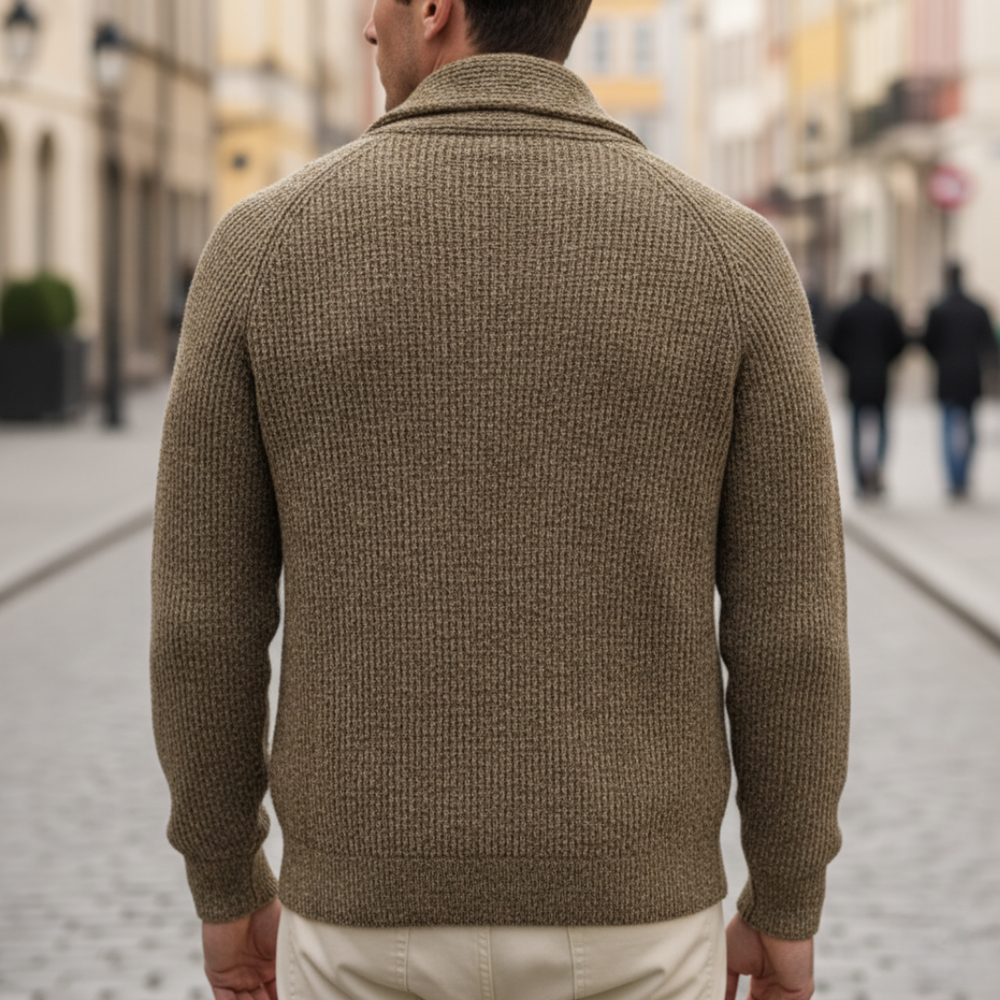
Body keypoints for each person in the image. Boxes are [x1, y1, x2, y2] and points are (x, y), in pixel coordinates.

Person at [149, 2, 851, 999]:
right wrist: (785, 901)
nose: (366, 26)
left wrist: (225, 882)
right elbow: (793, 632)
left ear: (435, 10)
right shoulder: (732, 258)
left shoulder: (263, 247)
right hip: (636, 924)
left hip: (361, 918)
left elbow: (201, 623)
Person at [923, 263, 999, 498]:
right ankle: (964, 476)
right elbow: (989, 344)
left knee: (948, 426)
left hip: (947, 375)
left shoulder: (938, 309)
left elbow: (928, 342)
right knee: (970, 427)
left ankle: (954, 479)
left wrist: (940, 359)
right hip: (970, 374)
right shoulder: (977, 308)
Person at [828, 272, 907, 497]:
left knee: (855, 429)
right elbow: (899, 342)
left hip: (856, 378)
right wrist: (885, 360)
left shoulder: (847, 311)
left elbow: (833, 342)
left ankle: (859, 478)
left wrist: (848, 361)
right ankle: (876, 470)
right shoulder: (886, 311)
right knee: (882, 427)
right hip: (880, 377)